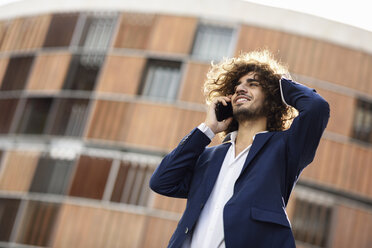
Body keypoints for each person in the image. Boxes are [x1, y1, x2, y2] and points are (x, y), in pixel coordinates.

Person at [149, 50, 330, 248]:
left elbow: (316, 107)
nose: (241, 89)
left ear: (271, 98)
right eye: (236, 87)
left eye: (253, 84)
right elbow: (162, 181)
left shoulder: (286, 148)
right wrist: (208, 129)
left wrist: (279, 83)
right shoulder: (209, 157)